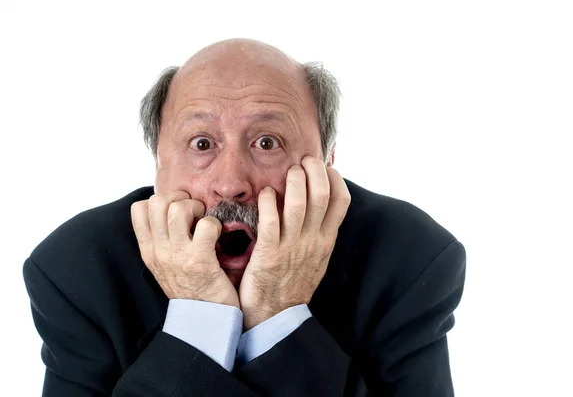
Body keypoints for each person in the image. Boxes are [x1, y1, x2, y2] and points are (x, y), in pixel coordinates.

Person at [23, 38, 466, 396]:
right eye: (201, 144)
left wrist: (278, 309)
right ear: (159, 165)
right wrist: (199, 319)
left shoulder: (410, 259)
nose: (230, 182)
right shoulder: (75, 269)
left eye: (267, 142)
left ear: (328, 163)